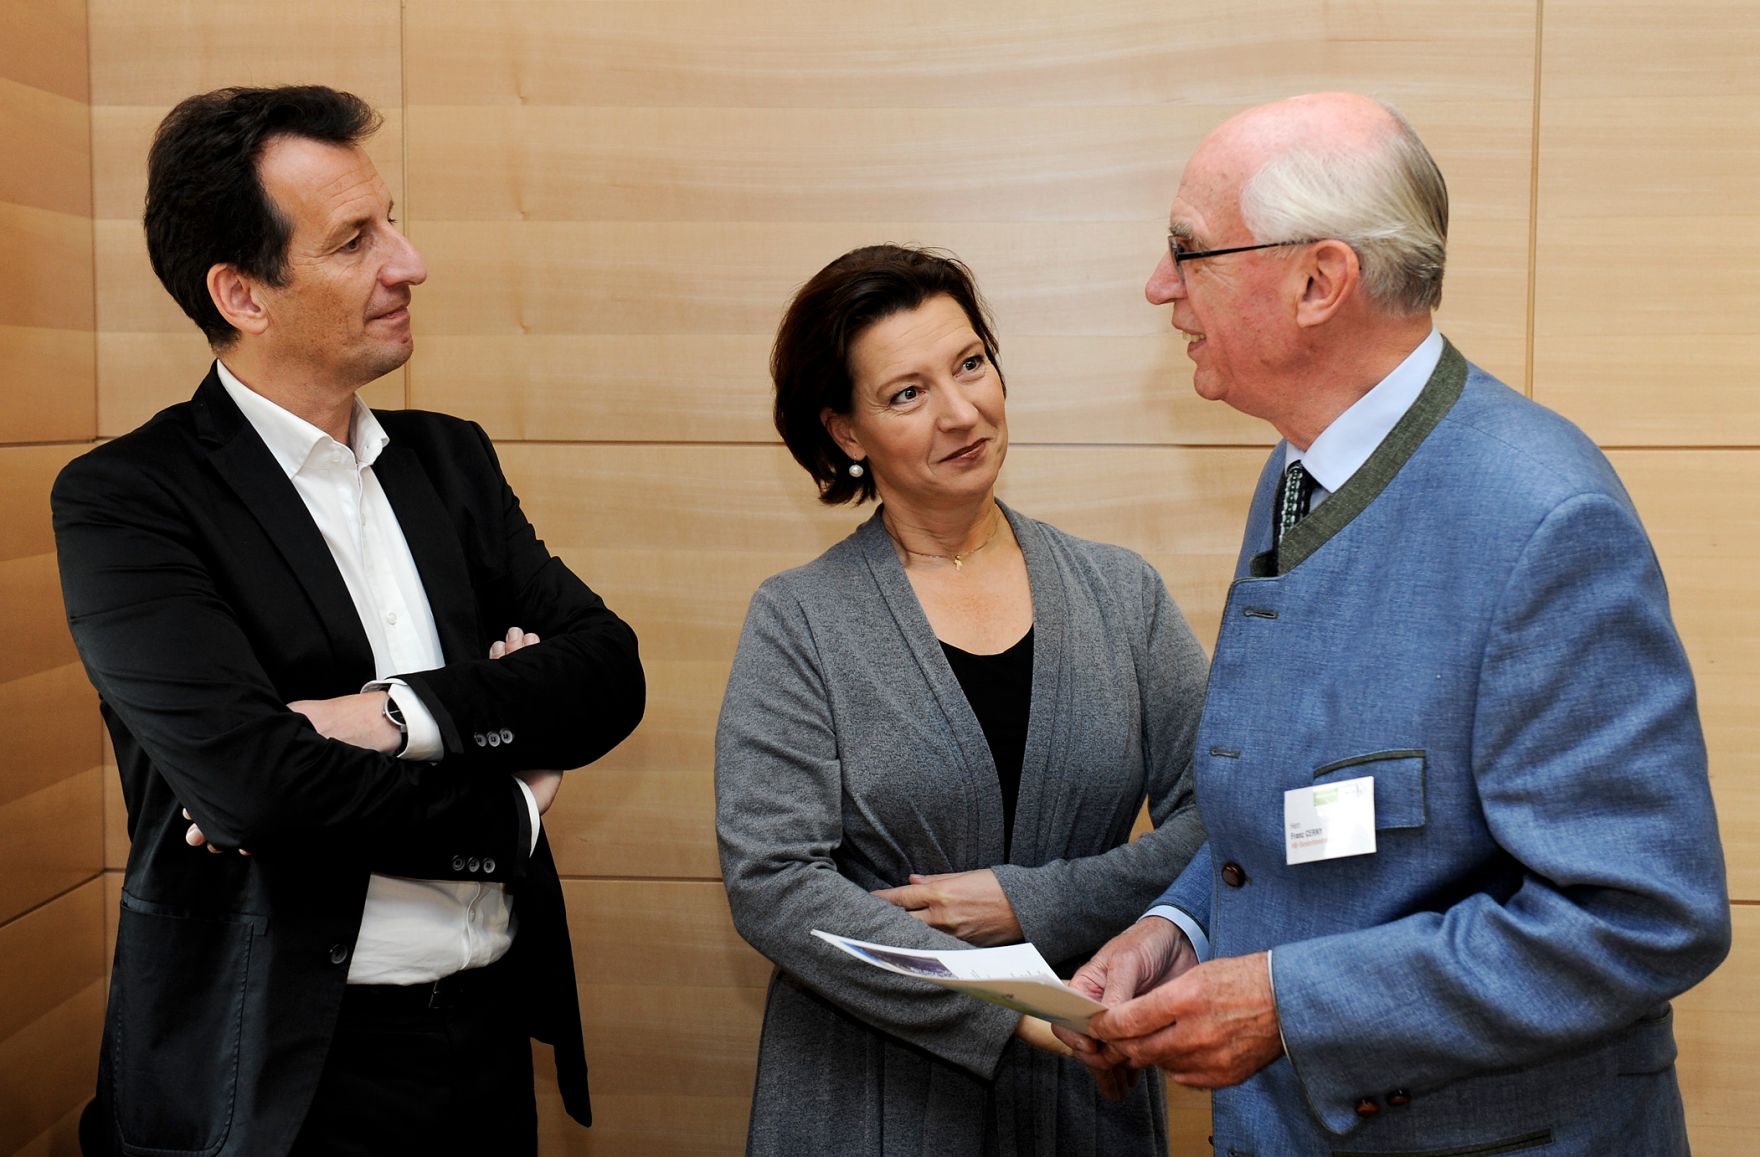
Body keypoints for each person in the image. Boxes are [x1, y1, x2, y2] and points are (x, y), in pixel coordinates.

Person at [1054, 93, 1732, 1154]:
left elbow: (1643, 915)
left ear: (1318, 282)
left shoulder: (1542, 521)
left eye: (1187, 250)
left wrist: (1288, 1004)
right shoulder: (1301, 466)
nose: (1159, 286)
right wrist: (1177, 924)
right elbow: (1314, 803)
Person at [52, 85, 644, 1156]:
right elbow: (257, 787)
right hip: (271, 1073)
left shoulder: (449, 459)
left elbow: (606, 674)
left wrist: (387, 717)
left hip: (483, 1043)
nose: (409, 262)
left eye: (392, 222)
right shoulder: (128, 499)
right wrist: (508, 805)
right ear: (242, 293)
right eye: (354, 239)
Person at [714, 244, 1208, 1156]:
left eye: (970, 364)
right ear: (847, 432)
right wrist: (1017, 1006)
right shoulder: (800, 618)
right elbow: (773, 881)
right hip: (869, 1094)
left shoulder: (1122, 593)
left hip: (1090, 1082)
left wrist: (1036, 901)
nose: (960, 411)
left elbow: (1220, 818)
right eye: (908, 393)